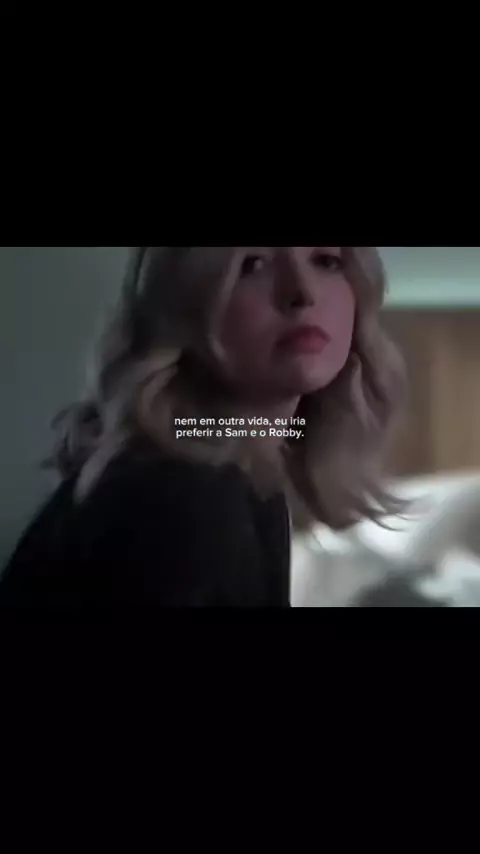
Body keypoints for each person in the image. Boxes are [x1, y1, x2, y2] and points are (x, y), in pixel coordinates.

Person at [0, 247, 404, 608]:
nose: (302, 293)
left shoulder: (222, 458)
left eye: (326, 261)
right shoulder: (184, 493)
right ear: (181, 304)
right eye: (252, 264)